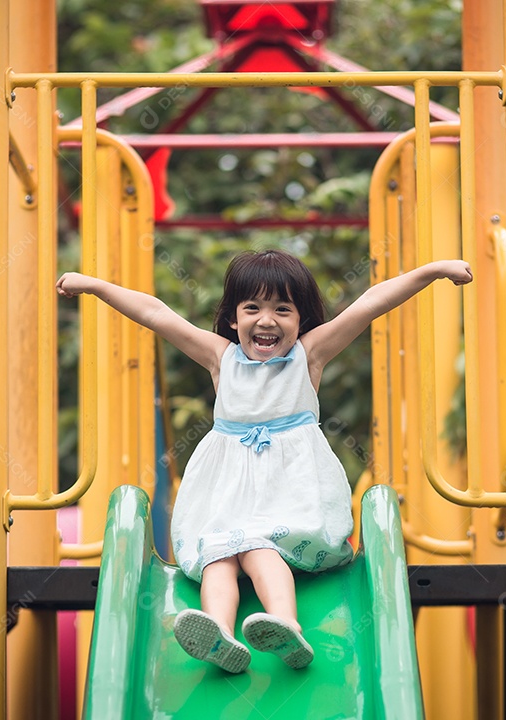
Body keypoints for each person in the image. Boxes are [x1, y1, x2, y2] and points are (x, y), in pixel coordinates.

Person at [56, 248, 472, 673]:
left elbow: (369, 305)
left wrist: (432, 271)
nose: (267, 320)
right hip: (228, 494)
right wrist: (96, 286)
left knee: (258, 549)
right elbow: (157, 314)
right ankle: (218, 633)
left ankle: (286, 624)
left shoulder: (309, 356)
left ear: (301, 321)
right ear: (234, 319)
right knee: (219, 555)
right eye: (252, 307)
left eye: (282, 309)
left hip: (287, 493)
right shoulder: (222, 358)